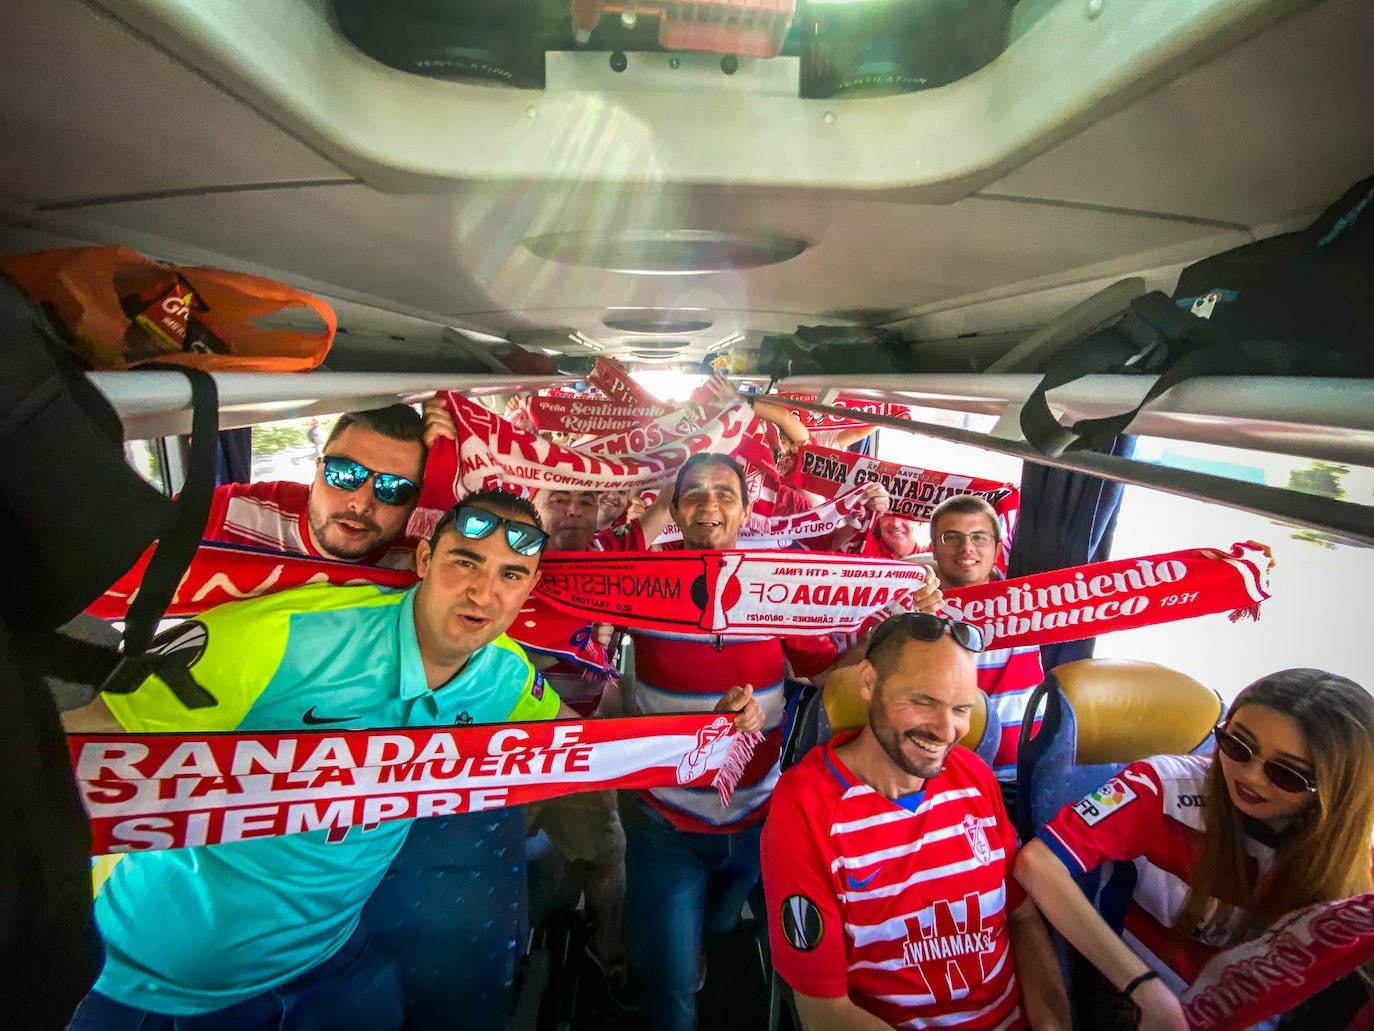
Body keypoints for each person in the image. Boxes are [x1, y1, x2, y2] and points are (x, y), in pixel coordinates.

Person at [62, 489, 564, 1030]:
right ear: (423, 560)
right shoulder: (285, 638)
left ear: (529, 588)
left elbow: (587, 754)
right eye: (464, 561)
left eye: (511, 575)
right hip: (152, 977)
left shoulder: (509, 678)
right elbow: (79, 744)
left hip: (329, 960)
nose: (483, 593)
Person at [621, 451, 940, 1030]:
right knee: (668, 987)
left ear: (746, 511)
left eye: (724, 493)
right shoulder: (637, 577)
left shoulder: (775, 584)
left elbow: (825, 670)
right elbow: (577, 568)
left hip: (761, 819)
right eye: (693, 493)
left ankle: (705, 941)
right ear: (673, 509)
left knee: (722, 925)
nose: (709, 505)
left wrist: (901, 628)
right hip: (665, 821)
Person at [1015, 668, 1374, 1030]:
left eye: (1285, 774)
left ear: (1335, 792)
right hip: (1137, 996)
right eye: (1237, 746)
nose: (1249, 776)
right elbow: (1037, 864)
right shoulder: (1162, 787)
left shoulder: (1350, 866)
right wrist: (1144, 987)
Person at [760, 611, 1071, 1031]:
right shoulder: (805, 807)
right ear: (867, 682)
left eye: (962, 708)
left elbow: (1021, 916)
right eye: (923, 701)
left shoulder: (975, 777)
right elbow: (824, 1012)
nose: (947, 731)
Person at [206, 404, 426, 568]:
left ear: (415, 501)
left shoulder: (423, 558)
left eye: (394, 488)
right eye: (344, 473)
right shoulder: (231, 514)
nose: (361, 504)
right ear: (317, 468)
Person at [929, 494, 1044, 789]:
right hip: (941, 777)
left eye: (979, 537)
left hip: (1027, 777)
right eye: (951, 537)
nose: (966, 548)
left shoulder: (1031, 600)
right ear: (933, 547)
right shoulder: (909, 609)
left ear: (996, 547)